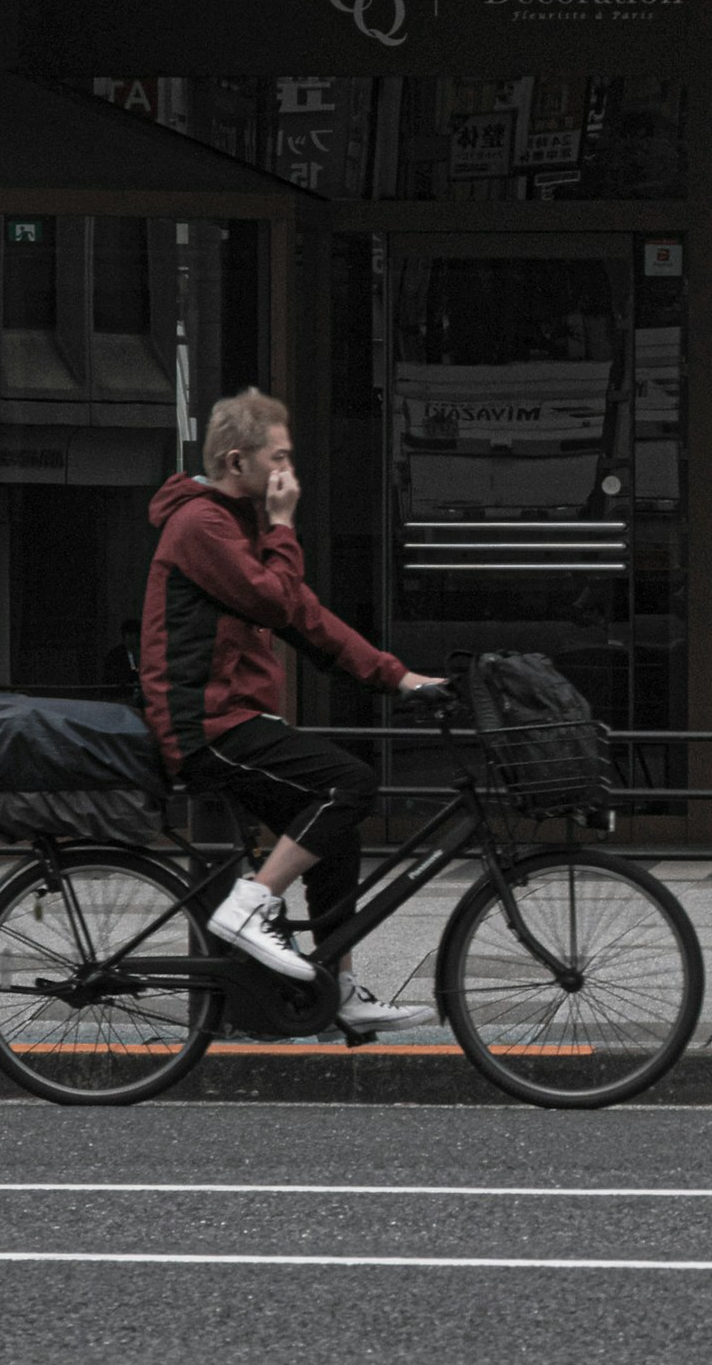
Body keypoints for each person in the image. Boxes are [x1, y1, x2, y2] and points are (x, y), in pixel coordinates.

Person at [141, 387, 446, 1036]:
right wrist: (283, 527)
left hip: (235, 717)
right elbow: (277, 602)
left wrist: (399, 679)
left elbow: (306, 616)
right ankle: (249, 906)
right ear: (234, 460)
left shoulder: (234, 524)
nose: (288, 475)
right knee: (350, 782)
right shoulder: (200, 526)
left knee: (334, 831)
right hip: (206, 724)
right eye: (277, 458)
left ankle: (338, 988)